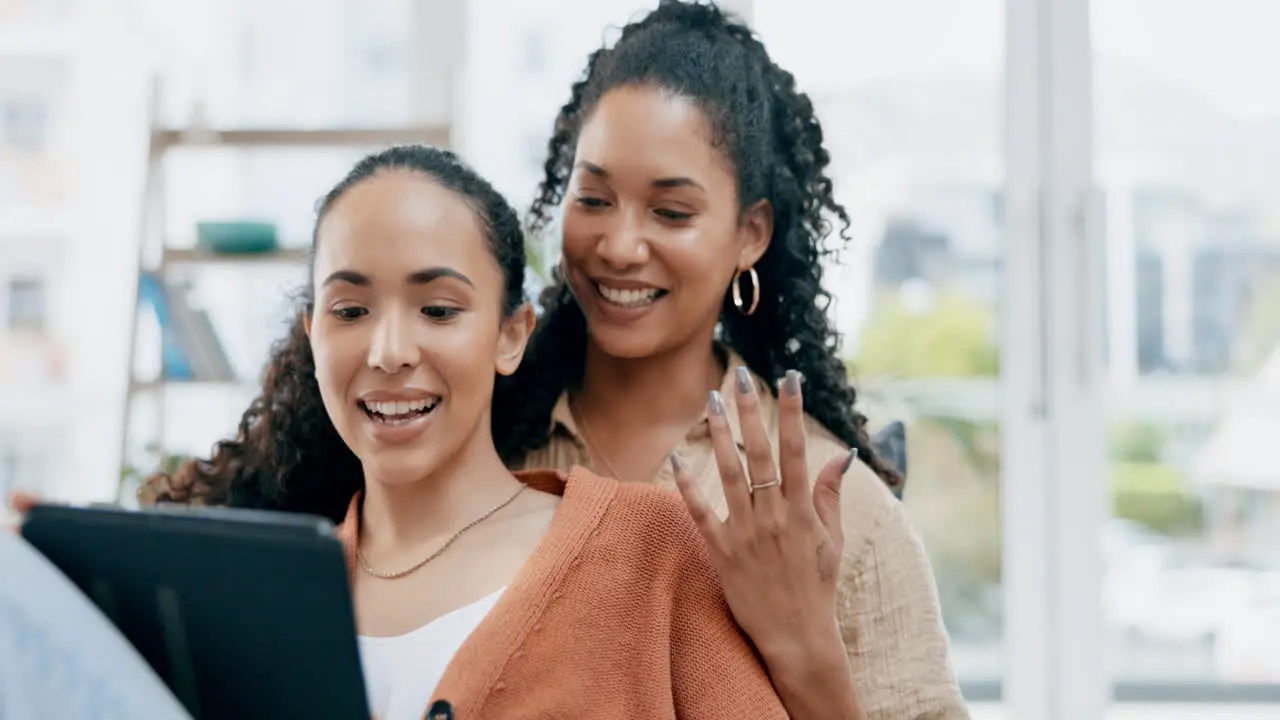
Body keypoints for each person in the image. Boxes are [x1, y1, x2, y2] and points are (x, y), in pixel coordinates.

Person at [134, 145, 791, 720]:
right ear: (314, 337)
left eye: (439, 309)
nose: (389, 350)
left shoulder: (655, 551)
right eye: (351, 310)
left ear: (511, 335)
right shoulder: (267, 609)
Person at [486, 1, 969, 718]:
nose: (619, 245)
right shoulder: (488, 447)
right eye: (593, 198)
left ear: (750, 233)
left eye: (671, 213)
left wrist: (803, 648)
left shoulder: (834, 509)